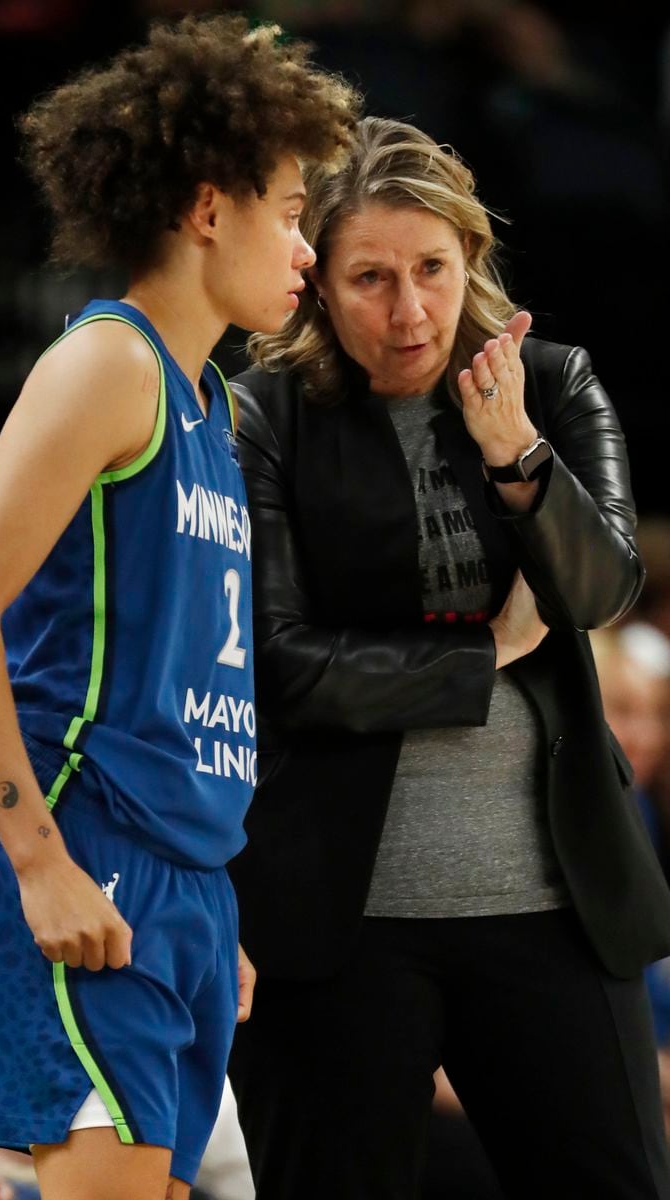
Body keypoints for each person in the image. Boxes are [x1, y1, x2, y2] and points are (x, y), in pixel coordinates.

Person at [0, 17, 358, 1200]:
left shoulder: (209, 404)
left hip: (181, 883)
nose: (305, 247)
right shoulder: (109, 366)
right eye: (288, 208)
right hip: (84, 850)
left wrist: (204, 897)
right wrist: (40, 860)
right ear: (207, 209)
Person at [226, 116, 670, 1200]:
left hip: (552, 903)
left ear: (470, 257)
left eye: (430, 267)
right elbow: (281, 666)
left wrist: (515, 455)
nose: (408, 308)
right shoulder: (262, 414)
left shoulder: (552, 384)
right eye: (368, 276)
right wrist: (486, 654)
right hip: (340, 917)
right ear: (317, 284)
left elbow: (603, 589)